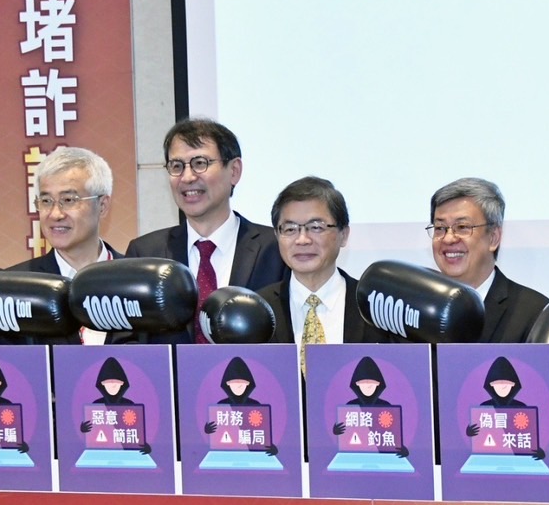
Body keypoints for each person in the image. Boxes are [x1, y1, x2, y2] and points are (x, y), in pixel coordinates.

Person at [126, 118, 285, 340]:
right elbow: (129, 342)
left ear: (234, 171)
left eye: (200, 163)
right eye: (177, 166)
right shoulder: (144, 254)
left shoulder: (276, 249)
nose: (188, 177)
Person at [254, 177, 386, 362]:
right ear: (277, 235)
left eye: (316, 227)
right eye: (290, 229)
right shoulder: (257, 310)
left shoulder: (376, 308)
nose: (302, 240)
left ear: (344, 234)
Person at [6, 145, 122, 344]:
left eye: (68, 200)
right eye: (46, 201)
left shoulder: (135, 281)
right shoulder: (15, 288)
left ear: (102, 205)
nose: (55, 214)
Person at [427, 178, 548, 342]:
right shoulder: (413, 311)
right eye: (440, 228)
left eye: (462, 227)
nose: (448, 239)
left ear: (493, 238)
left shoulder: (535, 313)